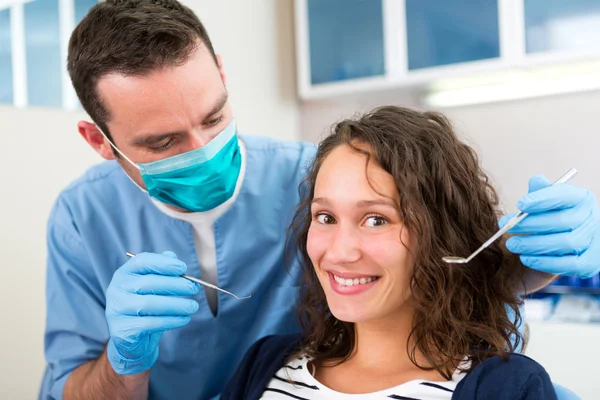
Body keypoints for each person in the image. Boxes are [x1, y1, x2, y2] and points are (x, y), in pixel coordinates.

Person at [39, 1, 600, 399]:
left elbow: (447, 264)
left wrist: (532, 260)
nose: (203, 150)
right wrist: (124, 360)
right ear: (101, 142)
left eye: (214, 118)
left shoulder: (316, 173)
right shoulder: (82, 220)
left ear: (224, 80)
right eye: (163, 143)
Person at [222, 106, 558, 400]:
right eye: (326, 217)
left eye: (376, 219)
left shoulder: (505, 388)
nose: (339, 251)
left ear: (442, 233)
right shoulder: (263, 364)